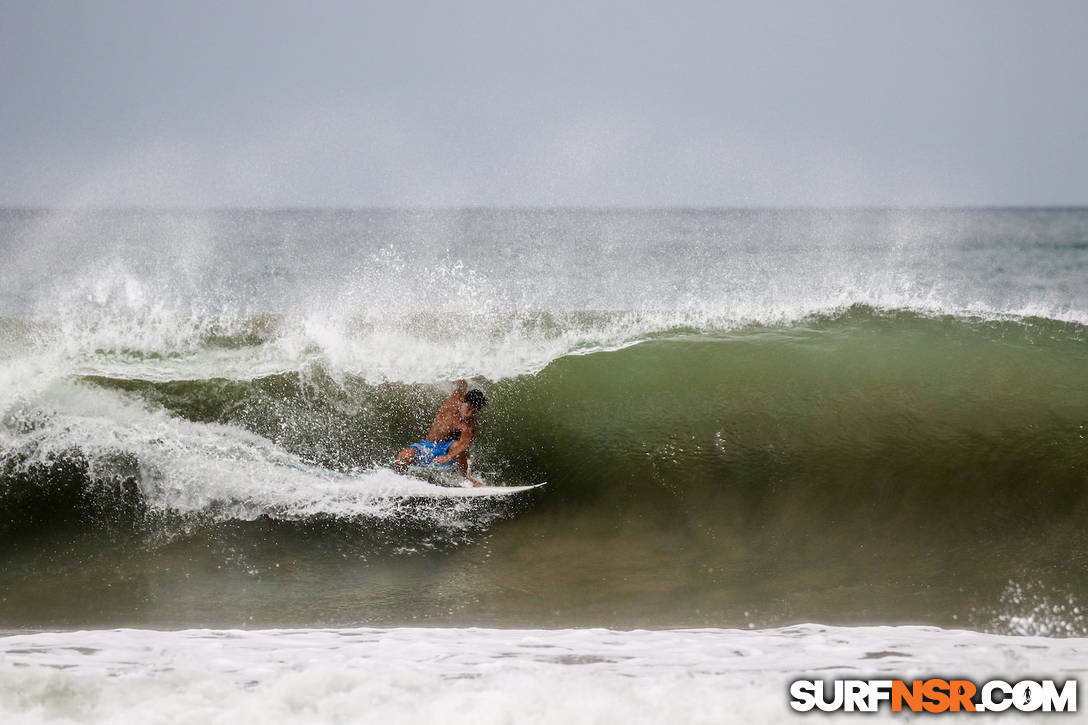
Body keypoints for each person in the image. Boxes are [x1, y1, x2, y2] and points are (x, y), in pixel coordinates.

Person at [395, 380, 488, 486]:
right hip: (427, 447)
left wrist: (448, 456)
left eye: (474, 411)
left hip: (445, 451)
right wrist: (446, 374)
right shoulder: (452, 402)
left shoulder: (468, 424)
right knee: (403, 456)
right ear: (463, 401)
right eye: (469, 409)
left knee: (461, 448)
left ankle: (467, 478)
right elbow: (462, 385)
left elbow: (463, 444)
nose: (469, 414)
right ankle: (399, 480)